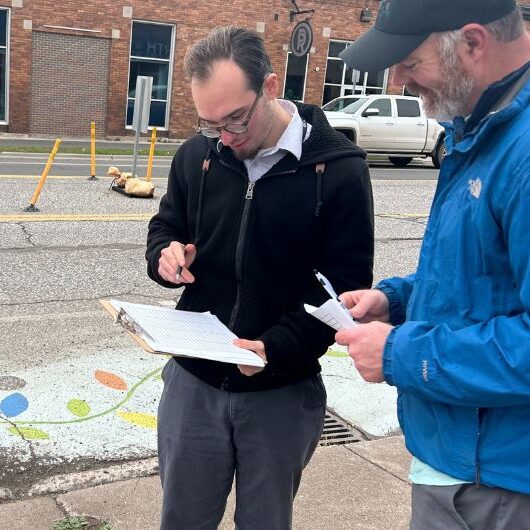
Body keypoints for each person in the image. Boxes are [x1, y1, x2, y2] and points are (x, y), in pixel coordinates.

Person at [146, 26, 374, 530]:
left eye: (235, 119)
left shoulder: (338, 171)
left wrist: (275, 347)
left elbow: (347, 290)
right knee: (182, 519)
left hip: (281, 392)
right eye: (210, 124)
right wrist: (165, 254)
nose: (225, 137)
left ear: (271, 86)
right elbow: (167, 225)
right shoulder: (196, 156)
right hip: (195, 380)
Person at [336, 0, 530, 528]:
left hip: (502, 482)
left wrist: (400, 354)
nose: (397, 81)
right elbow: (486, 276)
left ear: (471, 43)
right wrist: (395, 299)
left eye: (409, 62)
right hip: (459, 459)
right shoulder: (482, 124)